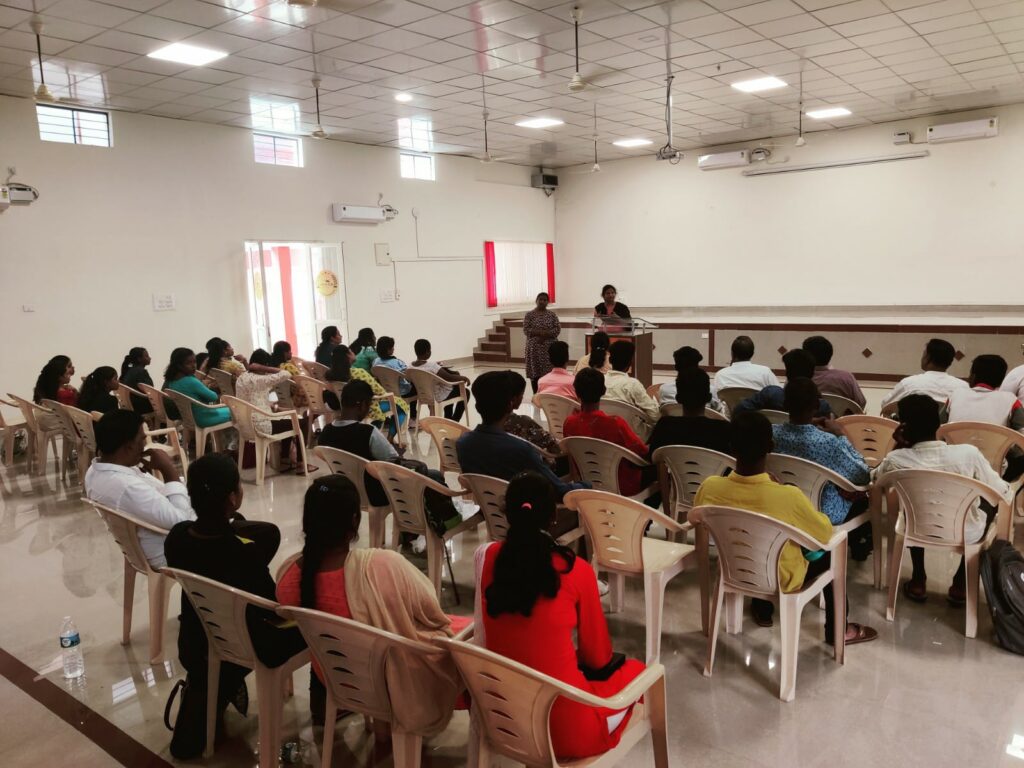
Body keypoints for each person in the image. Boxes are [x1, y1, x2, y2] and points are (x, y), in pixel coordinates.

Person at [475, 471, 646, 761]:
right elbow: (597, 659)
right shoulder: (576, 571)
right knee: (638, 672)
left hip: (506, 720)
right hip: (568, 733)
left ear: (506, 514)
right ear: (552, 517)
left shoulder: (486, 557)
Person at [277, 474, 469, 730]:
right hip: (390, 679)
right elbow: (432, 612)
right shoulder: (381, 566)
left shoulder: (289, 578)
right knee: (473, 639)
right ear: (354, 521)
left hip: (336, 677)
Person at [164, 455, 306, 759]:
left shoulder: (176, 539)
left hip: (195, 640)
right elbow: (272, 608)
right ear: (232, 498)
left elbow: (262, 533)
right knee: (317, 621)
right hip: (244, 646)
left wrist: (231, 523)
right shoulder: (242, 552)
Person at [693, 412, 877, 644]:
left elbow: (697, 519)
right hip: (783, 579)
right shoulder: (788, 496)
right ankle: (838, 631)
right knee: (831, 554)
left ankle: (762, 607)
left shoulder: (709, 487)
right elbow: (823, 533)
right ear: (771, 447)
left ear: (731, 448)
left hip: (733, 568)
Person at [872, 394, 1013, 605]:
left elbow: (874, 479)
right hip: (966, 532)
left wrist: (898, 446)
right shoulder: (968, 454)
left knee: (912, 507)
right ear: (938, 423)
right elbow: (1003, 492)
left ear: (903, 427)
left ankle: (918, 580)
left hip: (917, 528)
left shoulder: (896, 459)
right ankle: (960, 584)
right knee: (988, 503)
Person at [319, 380, 461, 535]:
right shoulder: (368, 432)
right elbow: (393, 462)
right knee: (433, 476)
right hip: (378, 492)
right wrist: (399, 453)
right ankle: (444, 524)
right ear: (362, 405)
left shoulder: (326, 433)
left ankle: (411, 534)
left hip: (345, 490)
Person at [772, 378, 872, 559]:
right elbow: (862, 475)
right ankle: (858, 547)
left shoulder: (771, 433)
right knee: (862, 499)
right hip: (822, 512)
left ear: (785, 405)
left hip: (782, 506)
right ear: (817, 405)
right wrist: (841, 435)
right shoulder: (828, 442)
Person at [85, 409, 194, 569]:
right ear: (128, 447)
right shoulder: (126, 486)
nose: (145, 445)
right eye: (142, 439)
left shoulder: (94, 471)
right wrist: (168, 469)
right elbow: (181, 523)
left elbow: (156, 494)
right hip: (171, 550)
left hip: (147, 543)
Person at [456, 371, 588, 501]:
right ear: (511, 404)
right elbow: (560, 491)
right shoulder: (520, 449)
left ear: (477, 406)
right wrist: (587, 485)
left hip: (488, 508)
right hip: (526, 510)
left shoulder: (463, 444)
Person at [564, 368, 654, 497]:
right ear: (603, 391)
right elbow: (642, 453)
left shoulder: (569, 423)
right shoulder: (615, 423)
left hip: (587, 483)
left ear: (576, 392)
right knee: (660, 469)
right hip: (624, 484)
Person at [234, 349, 306, 469]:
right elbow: (286, 374)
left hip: (245, 426)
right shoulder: (262, 380)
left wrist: (274, 406)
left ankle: (285, 460)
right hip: (261, 426)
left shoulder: (241, 378)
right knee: (300, 422)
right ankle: (300, 464)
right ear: (264, 365)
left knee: (288, 419)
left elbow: (253, 398)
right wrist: (263, 368)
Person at [325, 344, 409, 437]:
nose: (354, 353)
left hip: (345, 409)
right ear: (348, 355)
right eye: (351, 351)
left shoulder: (330, 376)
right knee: (402, 405)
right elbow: (380, 391)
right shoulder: (358, 373)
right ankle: (390, 438)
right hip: (366, 408)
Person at [648, 368, 732, 455]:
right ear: (709, 397)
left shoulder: (664, 426)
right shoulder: (722, 430)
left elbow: (652, 456)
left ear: (678, 398)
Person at [880, 338, 968, 418]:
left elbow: (885, 405)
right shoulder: (963, 387)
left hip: (914, 430)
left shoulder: (909, 384)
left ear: (927, 357)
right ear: (949, 362)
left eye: (924, 354)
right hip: (949, 430)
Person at [732, 349, 831, 418]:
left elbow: (739, 410)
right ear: (812, 374)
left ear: (787, 373)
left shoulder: (770, 394)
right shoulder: (822, 406)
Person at [504, 371, 567, 473]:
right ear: (514, 400)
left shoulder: (481, 434)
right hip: (529, 476)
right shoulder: (523, 423)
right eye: (522, 394)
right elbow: (555, 447)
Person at [947, 354, 1024, 429]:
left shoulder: (955, 395)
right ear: (1001, 381)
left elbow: (941, 424)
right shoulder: (1011, 400)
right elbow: (1022, 429)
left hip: (955, 438)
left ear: (973, 376)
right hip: (995, 438)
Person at [163, 347, 232, 430]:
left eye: (194, 362)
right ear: (179, 366)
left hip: (188, 419)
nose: (194, 366)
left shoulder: (171, 382)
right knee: (238, 412)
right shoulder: (190, 381)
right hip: (204, 418)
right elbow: (213, 397)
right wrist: (204, 386)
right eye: (188, 363)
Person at [411, 338, 470, 421]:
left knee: (448, 388)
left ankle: (448, 418)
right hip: (437, 396)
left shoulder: (410, 366)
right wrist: (464, 378)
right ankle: (454, 421)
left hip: (423, 395)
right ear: (428, 352)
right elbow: (449, 377)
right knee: (465, 392)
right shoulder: (432, 366)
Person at [603, 340, 660, 423]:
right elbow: (655, 416)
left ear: (610, 360)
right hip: (631, 429)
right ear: (630, 362)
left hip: (602, 428)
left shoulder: (599, 381)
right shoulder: (633, 384)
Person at [802, 336, 866, 409]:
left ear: (805, 356)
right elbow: (861, 403)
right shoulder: (846, 377)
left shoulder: (798, 379)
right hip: (842, 416)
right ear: (830, 353)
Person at [711, 336, 779, 398]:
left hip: (730, 408)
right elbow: (779, 394)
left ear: (732, 353)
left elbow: (716, 399)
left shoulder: (720, 375)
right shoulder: (765, 372)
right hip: (758, 408)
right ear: (752, 354)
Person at [523, 292, 561, 393]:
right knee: (535, 373)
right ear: (536, 300)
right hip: (534, 349)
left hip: (549, 350)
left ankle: (549, 393)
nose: (542, 301)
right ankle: (536, 394)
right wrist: (540, 333)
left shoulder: (552, 315)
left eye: (545, 300)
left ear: (548, 302)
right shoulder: (529, 315)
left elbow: (557, 329)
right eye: (540, 299)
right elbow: (526, 330)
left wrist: (545, 335)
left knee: (549, 373)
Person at [120, 347, 154, 413]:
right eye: (146, 356)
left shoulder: (128, 371)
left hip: (130, 406)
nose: (150, 358)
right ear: (139, 359)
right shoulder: (141, 372)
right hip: (141, 406)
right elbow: (149, 390)